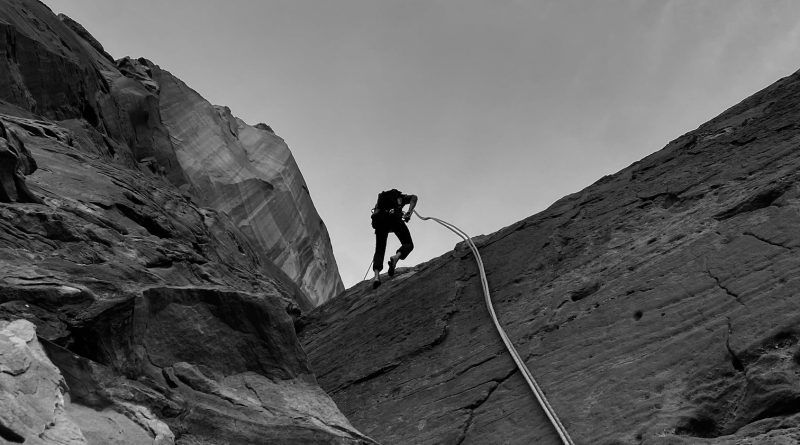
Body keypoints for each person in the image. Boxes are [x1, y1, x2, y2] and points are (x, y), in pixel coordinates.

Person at [370, 189, 417, 289]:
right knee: (408, 243)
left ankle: (376, 277)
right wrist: (409, 212)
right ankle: (396, 257)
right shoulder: (400, 198)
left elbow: (376, 215)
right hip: (394, 219)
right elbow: (414, 197)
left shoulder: (380, 203)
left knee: (379, 250)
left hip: (380, 222)